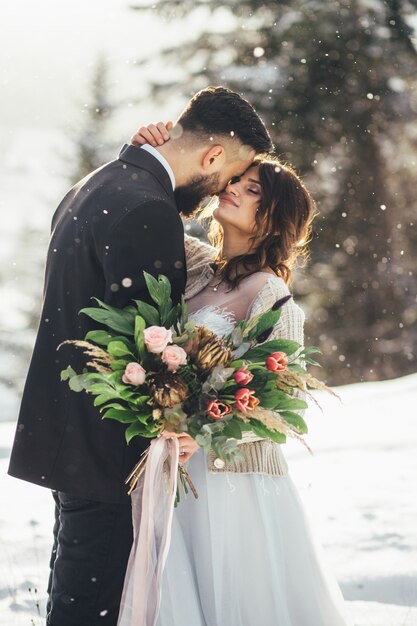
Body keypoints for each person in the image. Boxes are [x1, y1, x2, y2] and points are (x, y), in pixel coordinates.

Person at [7, 86, 272, 625]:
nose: (223, 188)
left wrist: (145, 153)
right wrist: (171, 420)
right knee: (94, 606)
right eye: (230, 174)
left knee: (76, 588)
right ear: (214, 156)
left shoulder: (100, 183)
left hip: (67, 431)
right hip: (108, 446)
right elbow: (150, 347)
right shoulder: (146, 209)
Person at [124, 123, 352, 625]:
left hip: (235, 487)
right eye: (236, 181)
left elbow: (278, 407)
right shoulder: (201, 267)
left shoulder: (272, 295)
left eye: (252, 191)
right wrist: (148, 149)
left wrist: (201, 436)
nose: (232, 189)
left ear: (273, 221)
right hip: (176, 473)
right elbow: (157, 205)